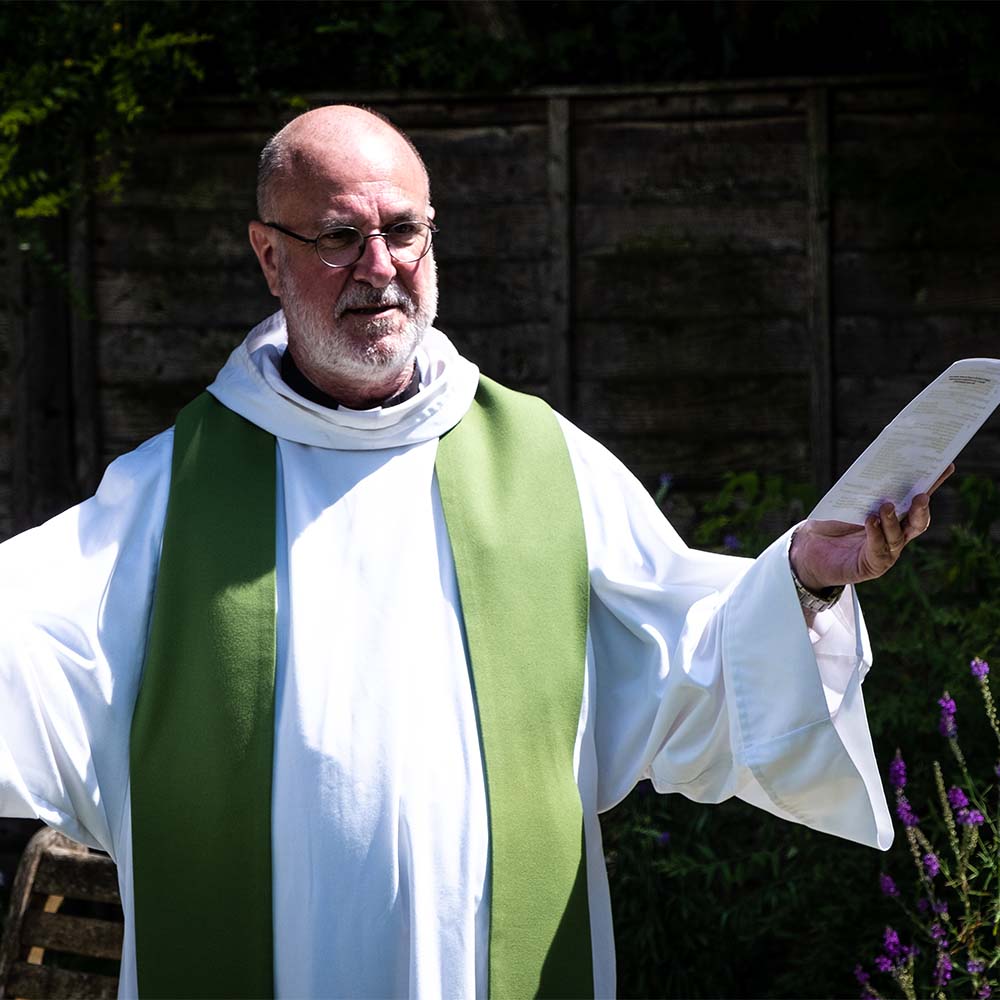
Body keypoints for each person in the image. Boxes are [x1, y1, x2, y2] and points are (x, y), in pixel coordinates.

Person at [0, 105, 947, 1000]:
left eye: (404, 230)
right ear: (268, 257)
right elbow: (28, 638)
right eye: (338, 237)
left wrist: (801, 583)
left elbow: (691, 659)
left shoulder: (543, 460)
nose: (379, 265)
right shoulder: (170, 493)